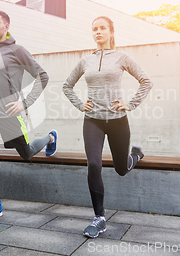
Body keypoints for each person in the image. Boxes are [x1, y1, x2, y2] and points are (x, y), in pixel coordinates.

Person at [62, 16, 153, 238]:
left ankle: (135, 155)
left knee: (121, 169)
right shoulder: (85, 61)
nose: (98, 32)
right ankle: (99, 218)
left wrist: (129, 104)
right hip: (92, 120)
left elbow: (146, 81)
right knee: (94, 164)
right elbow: (67, 86)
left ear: (111, 32)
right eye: (94, 29)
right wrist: (80, 104)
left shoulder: (122, 57)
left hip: (117, 120)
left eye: (102, 28)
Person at [0, 10, 57, 224]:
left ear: (6, 26)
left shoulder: (17, 51)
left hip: (10, 115)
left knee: (27, 153)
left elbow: (42, 76)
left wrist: (24, 102)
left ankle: (50, 137)